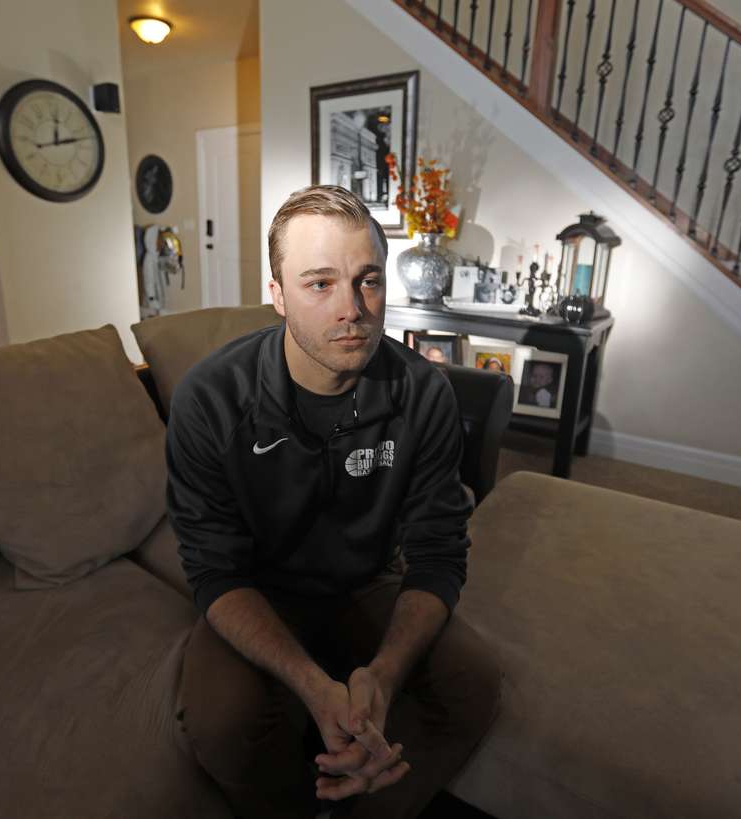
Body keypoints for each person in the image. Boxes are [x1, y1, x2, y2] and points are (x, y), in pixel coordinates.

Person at [166, 184, 502, 819]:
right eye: (319, 284)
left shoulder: (422, 392)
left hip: (368, 581)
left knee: (473, 685)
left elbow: (436, 554)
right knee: (219, 722)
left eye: (367, 280)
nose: (352, 308)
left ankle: (367, 801)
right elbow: (215, 571)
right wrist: (313, 687)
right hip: (261, 592)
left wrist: (384, 674)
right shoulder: (209, 399)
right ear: (277, 294)